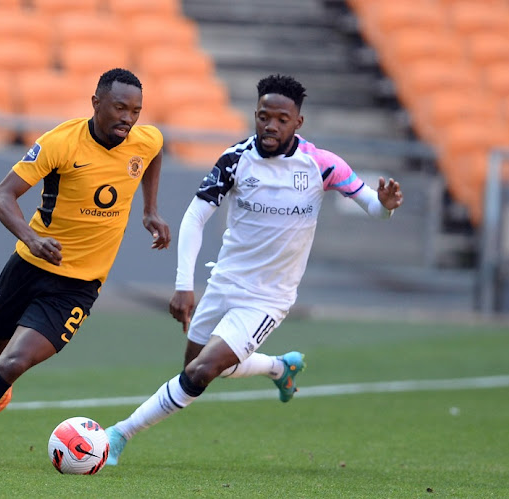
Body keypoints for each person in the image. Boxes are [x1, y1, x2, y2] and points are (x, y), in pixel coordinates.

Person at [104, 74, 404, 465]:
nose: (270, 126)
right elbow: (196, 217)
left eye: (281, 118)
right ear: (256, 115)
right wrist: (184, 284)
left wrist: (386, 205)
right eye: (264, 116)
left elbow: (374, 209)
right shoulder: (236, 158)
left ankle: (118, 435)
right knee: (196, 367)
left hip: (268, 298)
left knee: (200, 374)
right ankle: (280, 367)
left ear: (298, 122)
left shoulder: (321, 165)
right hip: (224, 282)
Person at [0, 68, 171, 467]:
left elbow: (154, 150)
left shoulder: (144, 139)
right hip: (28, 266)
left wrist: (151, 210)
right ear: (96, 103)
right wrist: (32, 239)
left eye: (136, 110)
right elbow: (1, 196)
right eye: (120, 107)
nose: (128, 118)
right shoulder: (60, 142)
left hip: (77, 286)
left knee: (12, 363)